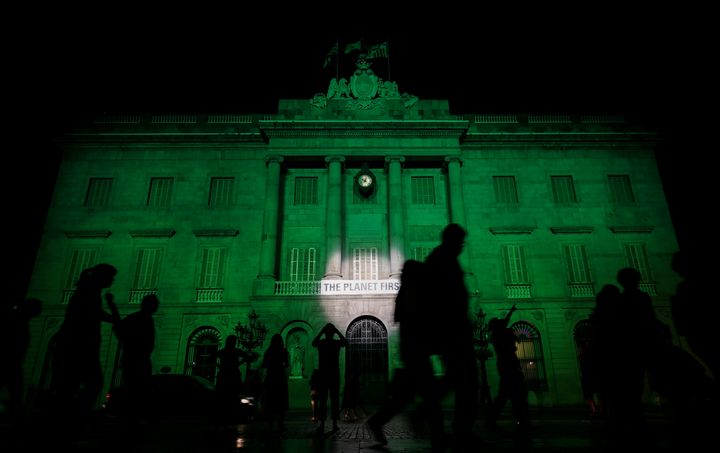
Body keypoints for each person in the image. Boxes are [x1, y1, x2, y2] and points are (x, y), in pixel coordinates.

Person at [366, 259, 445, 451]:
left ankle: (378, 421)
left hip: (413, 351)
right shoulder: (411, 292)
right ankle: (437, 436)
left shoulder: (407, 292)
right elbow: (415, 322)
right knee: (428, 397)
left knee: (405, 397)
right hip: (416, 351)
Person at [424, 223, 480, 444]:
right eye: (460, 242)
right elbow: (441, 297)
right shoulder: (442, 258)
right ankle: (461, 429)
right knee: (466, 380)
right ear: (453, 240)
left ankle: (455, 425)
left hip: (452, 330)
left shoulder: (442, 257)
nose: (462, 247)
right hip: (452, 330)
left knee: (456, 379)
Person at [50, 264, 120, 439]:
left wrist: (111, 306)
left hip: (77, 346)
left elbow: (105, 317)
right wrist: (111, 305)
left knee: (73, 388)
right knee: (87, 385)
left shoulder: (89, 292)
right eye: (110, 276)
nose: (113, 280)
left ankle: (68, 422)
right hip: (78, 347)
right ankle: (70, 422)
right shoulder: (88, 294)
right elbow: (101, 318)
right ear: (101, 277)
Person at [113, 293, 160, 422]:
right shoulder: (138, 318)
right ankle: (130, 421)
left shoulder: (144, 318)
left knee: (136, 391)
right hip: (136, 360)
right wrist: (129, 344)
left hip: (140, 359)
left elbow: (118, 328)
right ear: (148, 305)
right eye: (155, 304)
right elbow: (118, 328)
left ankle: (131, 420)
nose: (157, 307)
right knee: (135, 392)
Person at [485, 304, 531, 432]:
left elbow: (505, 321)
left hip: (507, 368)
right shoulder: (500, 336)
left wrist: (511, 311)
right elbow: (507, 351)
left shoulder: (499, 335)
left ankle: (521, 420)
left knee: (510, 396)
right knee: (514, 395)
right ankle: (521, 421)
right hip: (509, 369)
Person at [0, 297, 42, 424]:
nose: (39, 311)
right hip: (10, 364)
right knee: (16, 396)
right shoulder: (16, 322)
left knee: (16, 395)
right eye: (37, 309)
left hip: (13, 365)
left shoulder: (19, 321)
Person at [311, 322, 347, 434]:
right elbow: (345, 342)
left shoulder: (321, 343)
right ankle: (334, 424)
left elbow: (313, 342)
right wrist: (337, 332)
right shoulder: (336, 344)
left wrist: (321, 331)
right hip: (334, 374)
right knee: (334, 400)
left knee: (322, 400)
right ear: (333, 333)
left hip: (323, 374)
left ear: (325, 333)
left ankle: (322, 424)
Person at [215, 334, 251, 423]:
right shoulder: (236, 351)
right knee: (234, 396)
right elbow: (247, 356)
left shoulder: (223, 351)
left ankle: (223, 417)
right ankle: (232, 416)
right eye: (234, 342)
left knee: (224, 397)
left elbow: (213, 357)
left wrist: (219, 366)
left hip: (224, 375)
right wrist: (239, 363)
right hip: (233, 376)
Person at [261, 333, 289, 431]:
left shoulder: (268, 351)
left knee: (270, 401)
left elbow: (264, 364)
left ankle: (270, 423)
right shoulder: (283, 351)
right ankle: (280, 423)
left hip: (271, 377)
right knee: (281, 400)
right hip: (280, 376)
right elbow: (286, 364)